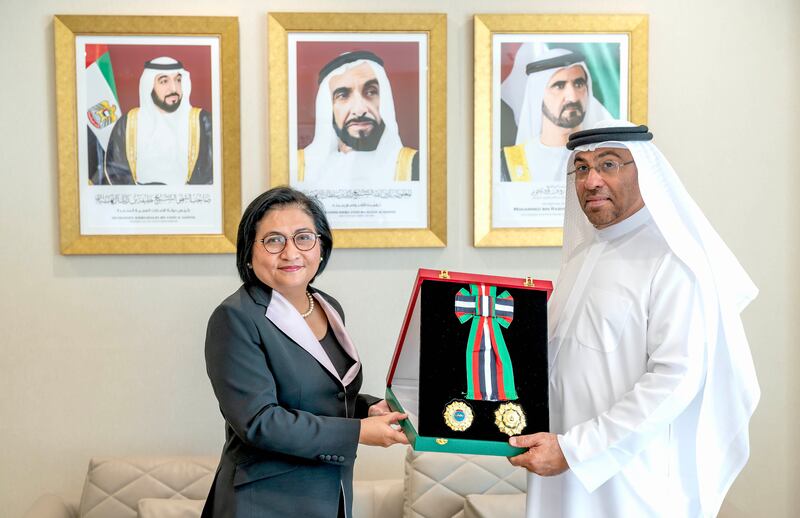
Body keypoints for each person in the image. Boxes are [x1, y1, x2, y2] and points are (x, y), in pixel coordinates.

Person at [508, 121, 759, 517]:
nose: (592, 181)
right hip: (558, 471)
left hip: (629, 481)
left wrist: (576, 450)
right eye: (582, 168)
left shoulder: (672, 261)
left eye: (608, 164)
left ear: (642, 169)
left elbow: (675, 380)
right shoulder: (581, 259)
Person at [201, 186, 408, 518]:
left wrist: (367, 410)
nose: (290, 253)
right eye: (273, 240)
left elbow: (324, 395)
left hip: (331, 496)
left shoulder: (329, 307)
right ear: (249, 254)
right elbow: (259, 421)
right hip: (265, 502)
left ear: (321, 247)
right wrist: (358, 434)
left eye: (303, 237)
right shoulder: (236, 317)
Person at [297, 51, 419, 188]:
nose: (359, 110)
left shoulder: (414, 165)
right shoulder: (299, 166)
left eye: (371, 92)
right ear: (328, 109)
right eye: (343, 95)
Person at [500, 48, 611, 183]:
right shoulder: (508, 162)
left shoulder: (607, 157)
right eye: (559, 86)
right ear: (538, 96)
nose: (572, 97)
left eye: (579, 84)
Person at [104, 56, 212, 185]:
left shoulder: (202, 121)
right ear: (149, 86)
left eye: (178, 80)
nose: (174, 89)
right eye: (164, 81)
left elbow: (212, 176)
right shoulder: (128, 123)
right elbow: (115, 173)